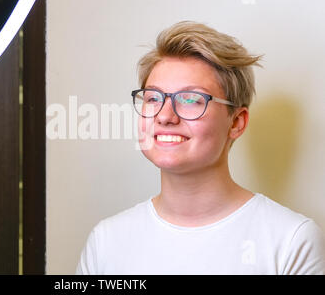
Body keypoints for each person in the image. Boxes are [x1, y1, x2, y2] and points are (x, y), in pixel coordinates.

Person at [76, 21, 325, 275]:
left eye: (191, 100)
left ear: (237, 122)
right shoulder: (105, 241)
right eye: (153, 98)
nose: (165, 116)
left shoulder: (292, 241)